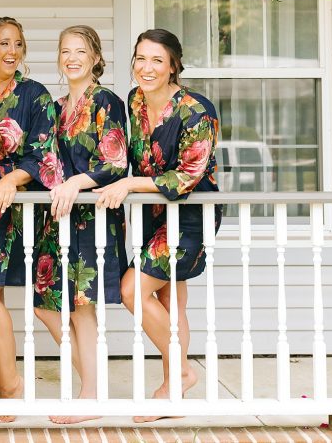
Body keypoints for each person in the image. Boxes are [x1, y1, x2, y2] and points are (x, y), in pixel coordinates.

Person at [94, 28, 222, 423]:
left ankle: (181, 370)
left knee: (132, 290)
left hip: (189, 217)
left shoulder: (196, 111)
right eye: (140, 59)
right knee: (170, 301)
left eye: (156, 61)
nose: (146, 68)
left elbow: (187, 176)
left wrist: (131, 183)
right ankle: (173, 392)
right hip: (153, 214)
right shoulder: (134, 101)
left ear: (173, 67)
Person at [0, 16, 64, 422]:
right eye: (3, 43)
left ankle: (10, 386)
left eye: (18, 44)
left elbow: (44, 151)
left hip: (14, 201)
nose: (12, 51)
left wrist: (12, 179)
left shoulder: (33, 94)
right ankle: (6, 381)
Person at [39, 25, 127, 424]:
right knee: (47, 306)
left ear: (95, 58)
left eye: (80, 51)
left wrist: (76, 182)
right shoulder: (56, 107)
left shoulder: (104, 101)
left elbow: (115, 162)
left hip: (92, 219)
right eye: (64, 51)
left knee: (81, 309)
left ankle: (89, 392)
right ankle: (92, 383)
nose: (71, 58)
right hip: (56, 220)